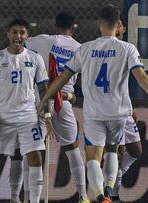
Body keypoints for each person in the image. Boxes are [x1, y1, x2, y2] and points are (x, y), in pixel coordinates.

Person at [37, 4, 148, 203]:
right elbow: (142, 78)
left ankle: (100, 196)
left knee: (93, 156)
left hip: (94, 113)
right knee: (112, 149)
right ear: (118, 24)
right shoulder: (127, 48)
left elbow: (62, 78)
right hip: (118, 112)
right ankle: (109, 191)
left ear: (99, 24)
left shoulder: (85, 48)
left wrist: (44, 99)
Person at [0, 18, 53, 203]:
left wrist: (48, 116)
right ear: (8, 34)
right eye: (14, 32)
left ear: (27, 36)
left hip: (28, 117)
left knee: (35, 158)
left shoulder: (35, 59)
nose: (18, 36)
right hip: (4, 118)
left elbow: (44, 90)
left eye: (22, 32)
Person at [25, 11, 89, 203]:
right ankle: (83, 196)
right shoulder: (80, 48)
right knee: (72, 149)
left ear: (56, 25)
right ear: (74, 27)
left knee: (33, 150)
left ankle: (29, 198)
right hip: (64, 102)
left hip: (40, 101)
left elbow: (24, 42)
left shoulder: (41, 40)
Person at [108, 18, 143, 201]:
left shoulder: (127, 48)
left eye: (118, 24)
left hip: (124, 106)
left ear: (122, 28)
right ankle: (113, 196)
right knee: (118, 153)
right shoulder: (103, 49)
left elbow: (121, 84)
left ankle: (112, 177)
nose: (116, 27)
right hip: (112, 109)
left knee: (136, 151)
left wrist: (130, 105)